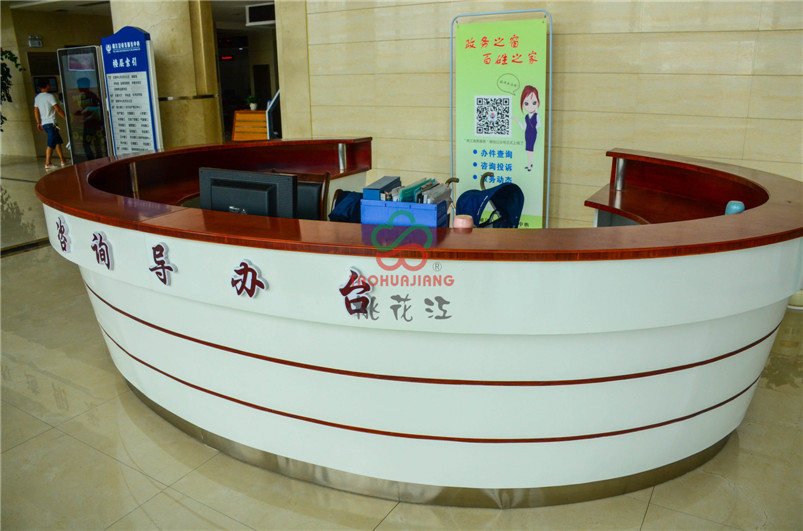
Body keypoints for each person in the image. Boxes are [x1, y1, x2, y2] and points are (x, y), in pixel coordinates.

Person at [33, 80, 69, 170]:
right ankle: (47, 163)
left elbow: (35, 111)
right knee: (51, 143)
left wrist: (38, 123)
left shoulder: (37, 98)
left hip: (45, 125)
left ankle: (63, 160)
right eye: (49, 84)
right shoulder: (50, 96)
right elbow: (58, 109)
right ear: (47, 85)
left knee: (57, 141)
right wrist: (67, 118)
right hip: (52, 124)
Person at [512, 85, 541, 172]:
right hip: (527, 134)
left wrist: (533, 126)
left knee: (530, 149)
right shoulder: (526, 116)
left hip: (533, 134)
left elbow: (539, 125)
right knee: (528, 149)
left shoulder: (537, 115)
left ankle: (529, 165)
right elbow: (523, 128)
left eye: (534, 102)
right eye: (526, 103)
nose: (530, 106)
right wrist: (518, 121)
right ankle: (530, 163)